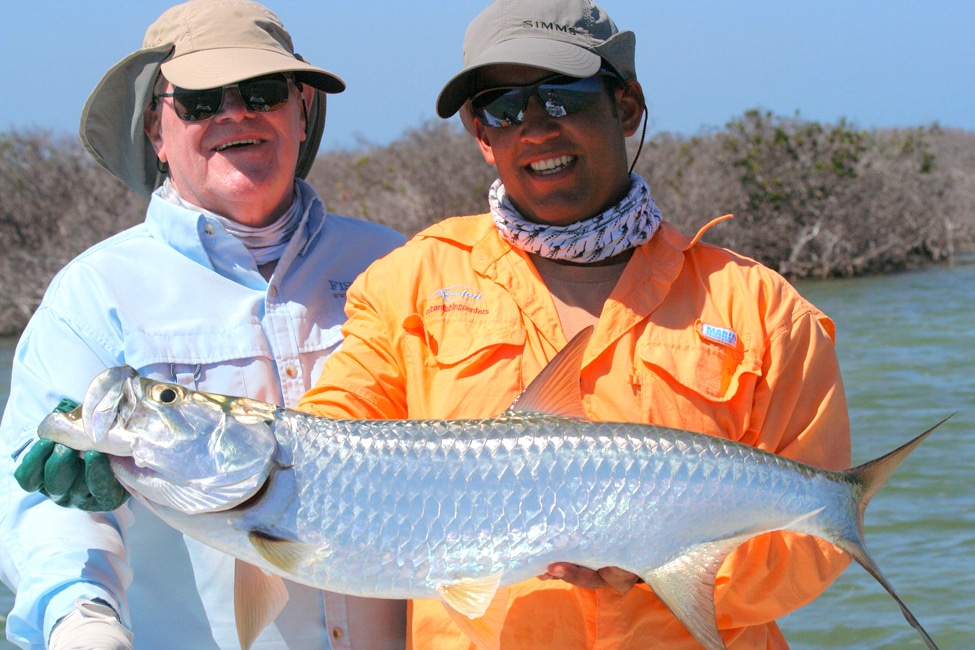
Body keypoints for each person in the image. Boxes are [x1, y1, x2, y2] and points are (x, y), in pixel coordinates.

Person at [297, 0, 853, 647]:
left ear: (626, 107)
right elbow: (323, 448)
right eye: (502, 107)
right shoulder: (406, 286)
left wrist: (662, 565)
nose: (534, 127)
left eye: (560, 96)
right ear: (482, 135)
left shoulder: (760, 308)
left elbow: (816, 545)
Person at [0, 1, 406, 648]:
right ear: (156, 131)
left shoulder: (395, 263)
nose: (235, 113)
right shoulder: (94, 296)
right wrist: (83, 618)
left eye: (263, 92)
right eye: (199, 101)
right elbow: (48, 510)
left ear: (301, 111)